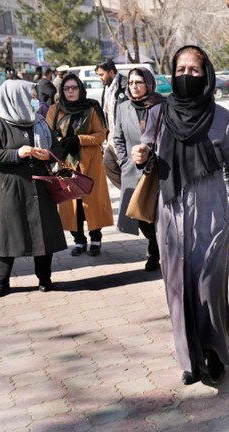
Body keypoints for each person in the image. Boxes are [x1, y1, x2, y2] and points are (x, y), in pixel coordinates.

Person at [131, 45, 229, 386]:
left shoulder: (222, 118)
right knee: (177, 288)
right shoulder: (159, 114)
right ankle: (190, 359)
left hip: (210, 216)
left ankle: (214, 353)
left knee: (208, 288)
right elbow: (149, 163)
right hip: (171, 215)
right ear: (171, 74)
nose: (187, 76)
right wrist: (140, 159)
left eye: (194, 70)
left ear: (206, 75)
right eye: (181, 70)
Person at [0, 80, 66, 297]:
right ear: (14, 97)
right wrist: (16, 154)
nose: (34, 98)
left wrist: (48, 154)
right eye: (29, 94)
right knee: (8, 236)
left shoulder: (39, 121)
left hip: (40, 186)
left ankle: (44, 278)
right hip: (10, 189)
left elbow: (56, 146)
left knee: (42, 234)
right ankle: (2, 281)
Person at [47, 74, 113, 257]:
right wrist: (63, 141)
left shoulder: (91, 108)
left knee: (92, 202)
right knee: (71, 202)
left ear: (80, 89)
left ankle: (96, 239)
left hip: (90, 161)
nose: (70, 91)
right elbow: (47, 135)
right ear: (62, 90)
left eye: (74, 88)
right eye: (67, 88)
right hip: (65, 163)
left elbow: (101, 135)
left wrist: (79, 139)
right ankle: (79, 241)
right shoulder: (55, 109)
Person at [113, 67, 163, 272]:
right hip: (133, 170)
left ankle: (156, 252)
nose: (133, 86)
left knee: (159, 213)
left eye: (138, 82)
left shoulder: (162, 105)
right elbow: (118, 138)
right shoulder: (123, 108)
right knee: (138, 214)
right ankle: (155, 244)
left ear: (148, 84)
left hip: (159, 170)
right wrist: (125, 161)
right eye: (130, 83)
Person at [96, 59, 128, 189]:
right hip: (111, 139)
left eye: (101, 74)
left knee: (127, 170)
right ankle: (129, 191)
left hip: (124, 139)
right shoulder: (107, 88)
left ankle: (133, 195)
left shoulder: (125, 85)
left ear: (111, 72)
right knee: (108, 165)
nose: (100, 78)